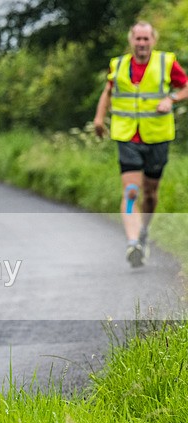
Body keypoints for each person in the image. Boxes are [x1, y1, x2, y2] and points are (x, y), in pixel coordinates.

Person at [93, 21, 188, 268]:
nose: (142, 43)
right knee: (131, 191)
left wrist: (171, 99)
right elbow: (108, 92)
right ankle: (133, 242)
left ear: (153, 40)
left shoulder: (166, 62)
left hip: (157, 137)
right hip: (127, 137)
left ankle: (143, 230)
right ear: (131, 40)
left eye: (146, 39)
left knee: (151, 193)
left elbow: (185, 86)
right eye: (138, 39)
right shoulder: (119, 65)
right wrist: (99, 119)